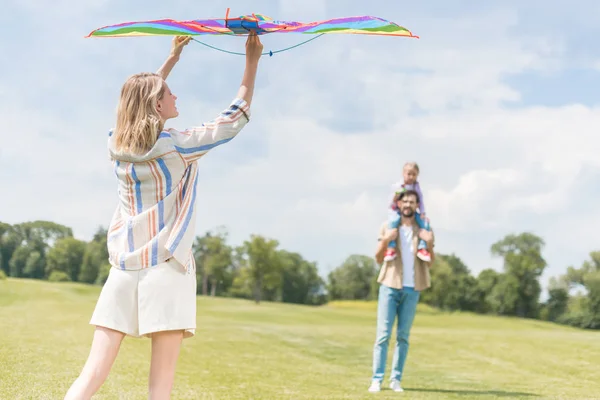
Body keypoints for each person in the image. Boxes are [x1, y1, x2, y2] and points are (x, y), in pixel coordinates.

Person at [64, 32, 263, 400]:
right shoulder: (177, 146)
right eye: (168, 93)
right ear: (158, 106)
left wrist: (171, 59)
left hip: (123, 269)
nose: (175, 95)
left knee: (90, 376)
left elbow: (134, 105)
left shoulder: (116, 146)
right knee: (160, 388)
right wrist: (251, 61)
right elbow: (234, 118)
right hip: (167, 269)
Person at [368, 189, 435, 393]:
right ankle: (376, 379)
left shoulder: (423, 229)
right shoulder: (388, 226)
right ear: (398, 204)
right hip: (389, 285)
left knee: (403, 336)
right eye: (404, 201)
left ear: (417, 205)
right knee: (383, 335)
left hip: (412, 288)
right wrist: (387, 240)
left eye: (412, 202)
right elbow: (378, 258)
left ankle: (396, 379)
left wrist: (429, 243)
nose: (408, 205)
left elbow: (430, 261)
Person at [384, 162, 432, 263]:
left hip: (414, 213)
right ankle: (391, 248)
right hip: (396, 211)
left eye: (414, 174)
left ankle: (422, 248)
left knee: (425, 224)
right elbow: (390, 202)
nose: (411, 177)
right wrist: (395, 198)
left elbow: (421, 200)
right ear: (403, 173)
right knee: (392, 224)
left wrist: (422, 212)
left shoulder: (416, 187)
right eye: (409, 174)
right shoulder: (397, 186)